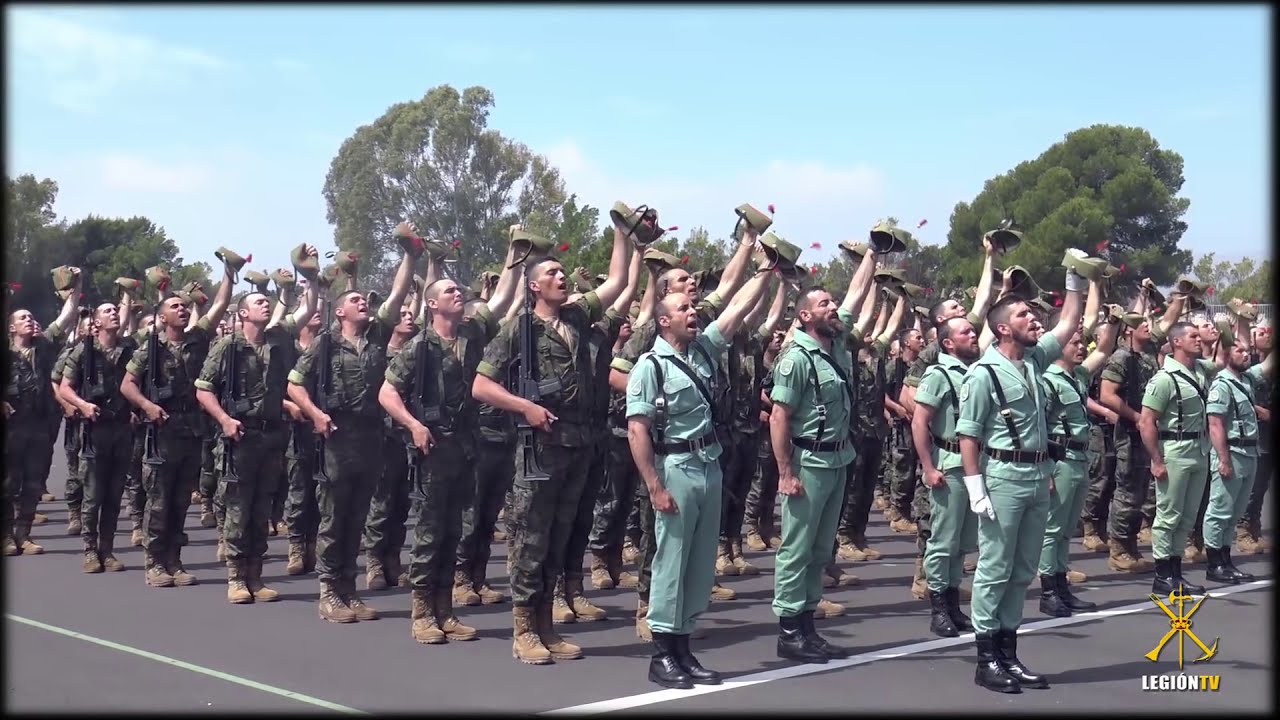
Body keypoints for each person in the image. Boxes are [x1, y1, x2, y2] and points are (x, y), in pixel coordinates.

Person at [470, 224, 631, 664]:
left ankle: (547, 626)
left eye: (564, 273)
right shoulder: (518, 330)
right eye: (554, 274)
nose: (562, 278)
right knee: (530, 539)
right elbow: (482, 386)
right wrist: (524, 406)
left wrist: (622, 234)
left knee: (560, 536)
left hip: (579, 444)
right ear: (535, 285)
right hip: (540, 451)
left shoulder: (577, 318)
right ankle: (524, 630)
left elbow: (616, 282)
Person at [625, 257, 772, 687]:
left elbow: (736, 310)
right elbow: (638, 430)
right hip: (676, 467)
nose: (694, 314)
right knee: (671, 560)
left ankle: (684, 648)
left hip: (709, 465)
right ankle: (662, 654)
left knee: (701, 562)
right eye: (685, 312)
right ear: (664, 322)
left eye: (694, 311)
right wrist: (654, 486)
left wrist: (765, 272)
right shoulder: (650, 367)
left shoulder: (703, 350)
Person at [379, 233, 519, 644]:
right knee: (429, 532)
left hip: (466, 446)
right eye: (449, 291)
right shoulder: (419, 347)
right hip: (433, 448)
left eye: (459, 290)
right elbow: (386, 393)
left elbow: (502, 300)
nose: (458, 295)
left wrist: (513, 256)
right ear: (432, 304)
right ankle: (423, 612)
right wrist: (414, 424)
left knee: (455, 530)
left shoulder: (473, 335)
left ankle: (446, 609)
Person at [954, 254, 1085, 693]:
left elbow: (1067, 323)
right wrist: (975, 487)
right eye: (1025, 314)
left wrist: (1075, 279)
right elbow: (968, 436)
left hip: (1036, 475)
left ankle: (1009, 654)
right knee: (994, 567)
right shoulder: (982, 374)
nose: (1035, 318)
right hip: (1002, 476)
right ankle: (985, 658)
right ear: (1004, 328)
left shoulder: (1032, 363)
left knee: (1024, 568)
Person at [287, 236, 415, 623]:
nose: (365, 304)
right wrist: (314, 413)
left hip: (371, 436)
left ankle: (350, 589)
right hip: (337, 437)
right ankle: (329, 592)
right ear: (340, 312)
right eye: (356, 301)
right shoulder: (325, 345)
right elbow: (294, 384)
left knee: (358, 516)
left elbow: (399, 291)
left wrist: (410, 256)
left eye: (365, 301)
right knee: (334, 517)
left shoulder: (377, 337)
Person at [768, 242, 878, 665]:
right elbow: (779, 417)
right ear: (805, 315)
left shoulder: (833, 342)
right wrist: (785, 472)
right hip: (808, 462)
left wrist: (873, 255)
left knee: (820, 548)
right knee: (797, 548)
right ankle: (789, 630)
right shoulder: (797, 357)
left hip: (837, 459)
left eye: (832, 303)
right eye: (824, 304)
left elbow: (853, 296)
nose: (834, 308)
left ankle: (808, 624)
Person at [122, 262, 235, 588]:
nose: (183, 310)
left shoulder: (198, 340)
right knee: (158, 501)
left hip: (191, 431)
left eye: (185, 306)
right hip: (161, 432)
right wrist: (147, 406)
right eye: (175, 306)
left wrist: (228, 275)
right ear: (162, 316)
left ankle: (174, 559)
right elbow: (127, 384)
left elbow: (220, 306)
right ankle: (154, 562)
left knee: (181, 501)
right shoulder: (150, 348)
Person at [1037, 303, 1118, 617]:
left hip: (1079, 458)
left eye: (1083, 342)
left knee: (1068, 527)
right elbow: (1040, 426)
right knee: (1052, 528)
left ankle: (1061, 585)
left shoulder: (1077, 376)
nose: (1082, 346)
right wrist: (1045, 470)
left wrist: (1110, 321)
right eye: (1075, 342)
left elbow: (1106, 348)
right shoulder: (1049, 380)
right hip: (1060, 460)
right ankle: (1048, 591)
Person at [1138, 317, 1228, 596]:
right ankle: (1162, 574)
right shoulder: (1164, 379)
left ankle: (1176, 572)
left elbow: (1223, 360)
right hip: (1174, 451)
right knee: (1168, 516)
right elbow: (1146, 421)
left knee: (1187, 517)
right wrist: (1156, 459)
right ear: (1176, 342)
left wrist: (1226, 328)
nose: (1198, 340)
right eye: (1192, 336)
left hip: (1198, 451)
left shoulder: (1200, 371)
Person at [911, 315, 981, 637]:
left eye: (973, 330)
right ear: (948, 342)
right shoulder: (938, 374)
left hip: (975, 464)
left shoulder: (975, 371)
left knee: (964, 540)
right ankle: (938, 607)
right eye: (965, 331)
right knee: (944, 540)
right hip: (950, 462)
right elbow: (919, 421)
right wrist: (928, 466)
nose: (974, 334)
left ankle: (953, 604)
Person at [1203, 309, 1272, 584]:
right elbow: (1216, 424)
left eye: (1247, 351)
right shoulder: (1223, 383)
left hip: (1249, 452)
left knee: (1234, 511)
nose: (1246, 354)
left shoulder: (1247, 380)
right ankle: (1214, 563)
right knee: (1219, 510)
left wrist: (1243, 320)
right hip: (1231, 451)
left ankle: (1227, 560)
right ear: (1228, 355)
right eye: (1240, 351)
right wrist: (1223, 458)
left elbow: (1269, 364)